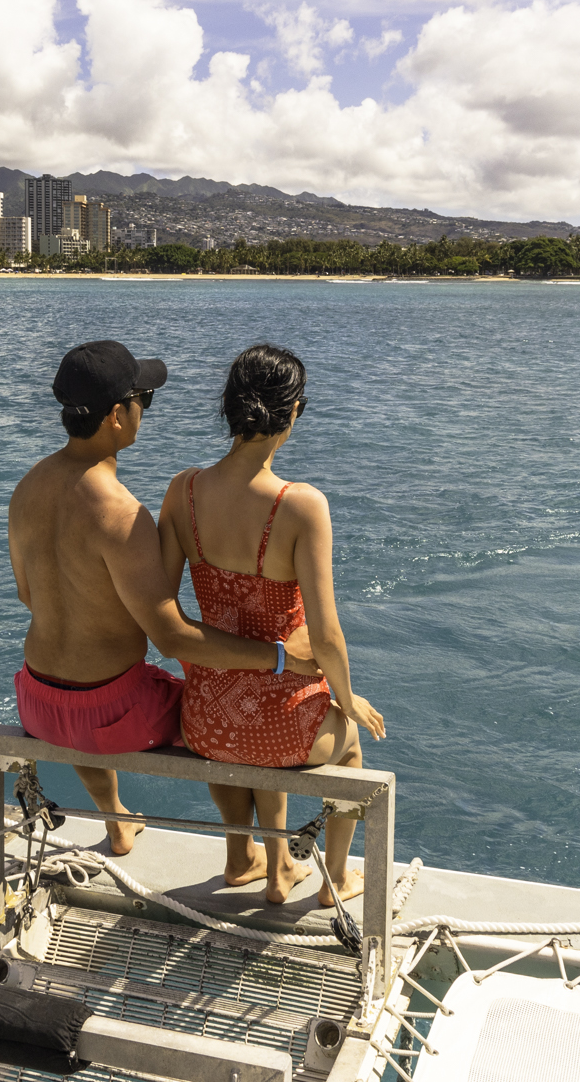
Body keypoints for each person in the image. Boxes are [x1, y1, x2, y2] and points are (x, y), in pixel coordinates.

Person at [9, 340, 316, 856]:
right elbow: (171, 636)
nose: (144, 413)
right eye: (143, 401)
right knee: (233, 710)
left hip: (37, 700)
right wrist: (281, 657)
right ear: (115, 415)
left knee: (98, 684)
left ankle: (116, 818)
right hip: (112, 717)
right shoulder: (122, 514)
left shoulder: (27, 488)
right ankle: (261, 857)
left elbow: (26, 595)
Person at [159, 344, 385, 906]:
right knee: (351, 751)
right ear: (295, 412)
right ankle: (336, 879)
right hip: (285, 724)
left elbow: (165, 612)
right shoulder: (300, 504)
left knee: (245, 730)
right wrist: (347, 697)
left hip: (206, 722)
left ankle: (253, 860)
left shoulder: (182, 491)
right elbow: (327, 637)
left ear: (230, 409)